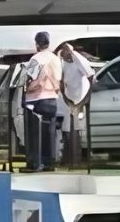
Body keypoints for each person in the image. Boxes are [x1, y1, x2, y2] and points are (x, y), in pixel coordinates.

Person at [18, 32, 62, 172]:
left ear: (37, 44)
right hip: (52, 99)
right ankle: (49, 163)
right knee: (49, 133)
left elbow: (28, 79)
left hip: (36, 100)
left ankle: (35, 163)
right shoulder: (56, 59)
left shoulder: (36, 59)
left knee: (35, 133)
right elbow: (59, 78)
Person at [56, 42, 95, 167]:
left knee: (76, 129)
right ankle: (69, 159)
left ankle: (75, 159)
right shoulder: (62, 61)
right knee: (68, 129)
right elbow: (61, 79)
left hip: (80, 98)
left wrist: (85, 99)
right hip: (69, 98)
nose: (65, 56)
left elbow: (90, 75)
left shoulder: (79, 61)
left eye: (67, 53)